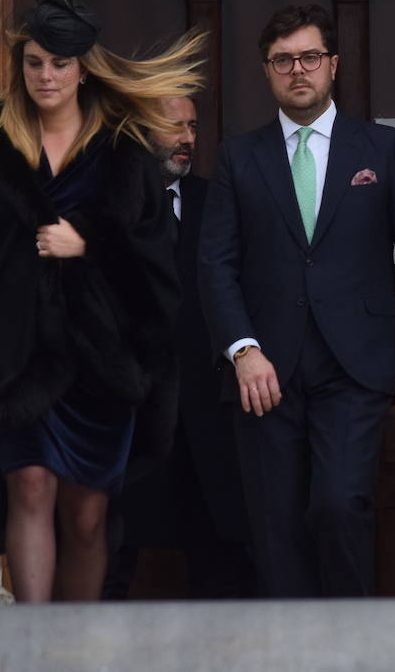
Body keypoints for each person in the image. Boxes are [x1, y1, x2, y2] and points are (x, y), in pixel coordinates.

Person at [0, 0, 203, 602]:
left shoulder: (121, 154)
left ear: (83, 68)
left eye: (59, 63)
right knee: (28, 485)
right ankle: (35, 650)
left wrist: (91, 242)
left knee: (85, 515)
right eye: (34, 63)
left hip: (99, 361)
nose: (46, 76)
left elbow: (158, 266)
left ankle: (74, 649)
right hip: (14, 352)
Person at [198, 3, 395, 597]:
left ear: (332, 65)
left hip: (356, 366)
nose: (297, 70)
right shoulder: (239, 156)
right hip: (266, 373)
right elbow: (215, 263)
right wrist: (242, 349)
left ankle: (350, 647)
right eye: (282, 61)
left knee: (339, 505)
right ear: (267, 71)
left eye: (309, 57)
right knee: (276, 527)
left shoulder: (382, 149)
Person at [105, 94, 256, 599]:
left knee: (221, 555)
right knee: (111, 550)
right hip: (130, 413)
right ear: (141, 129)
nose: (189, 139)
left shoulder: (218, 201)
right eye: (175, 127)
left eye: (193, 126)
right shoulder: (105, 203)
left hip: (208, 413)